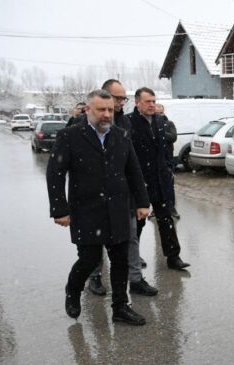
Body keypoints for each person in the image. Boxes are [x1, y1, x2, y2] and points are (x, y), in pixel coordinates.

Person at [46, 89, 151, 325]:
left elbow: (133, 171)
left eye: (110, 110)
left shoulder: (121, 135)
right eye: (101, 110)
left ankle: (120, 307)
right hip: (86, 211)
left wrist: (143, 202)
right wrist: (59, 209)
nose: (106, 115)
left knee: (120, 260)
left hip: (117, 209)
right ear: (88, 110)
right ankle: (73, 289)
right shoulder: (69, 136)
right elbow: (55, 173)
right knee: (89, 260)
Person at [84, 79, 157, 297]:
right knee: (96, 239)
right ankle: (95, 277)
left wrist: (140, 197)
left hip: (124, 194)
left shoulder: (125, 123)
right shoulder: (83, 125)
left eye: (123, 98)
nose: (120, 103)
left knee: (131, 237)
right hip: (95, 196)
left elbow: (132, 163)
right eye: (117, 98)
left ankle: (135, 279)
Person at [127, 87, 190, 271]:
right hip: (140, 182)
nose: (152, 105)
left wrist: (169, 168)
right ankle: (133, 256)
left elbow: (165, 150)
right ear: (137, 103)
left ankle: (173, 257)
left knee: (166, 220)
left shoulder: (160, 121)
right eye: (148, 101)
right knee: (137, 223)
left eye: (154, 101)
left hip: (161, 180)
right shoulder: (129, 123)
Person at [154, 103, 180, 218]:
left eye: (160, 112)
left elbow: (173, 137)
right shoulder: (150, 124)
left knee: (169, 184)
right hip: (155, 159)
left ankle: (172, 208)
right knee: (155, 185)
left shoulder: (169, 124)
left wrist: (161, 133)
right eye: (156, 113)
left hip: (167, 158)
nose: (159, 115)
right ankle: (156, 209)